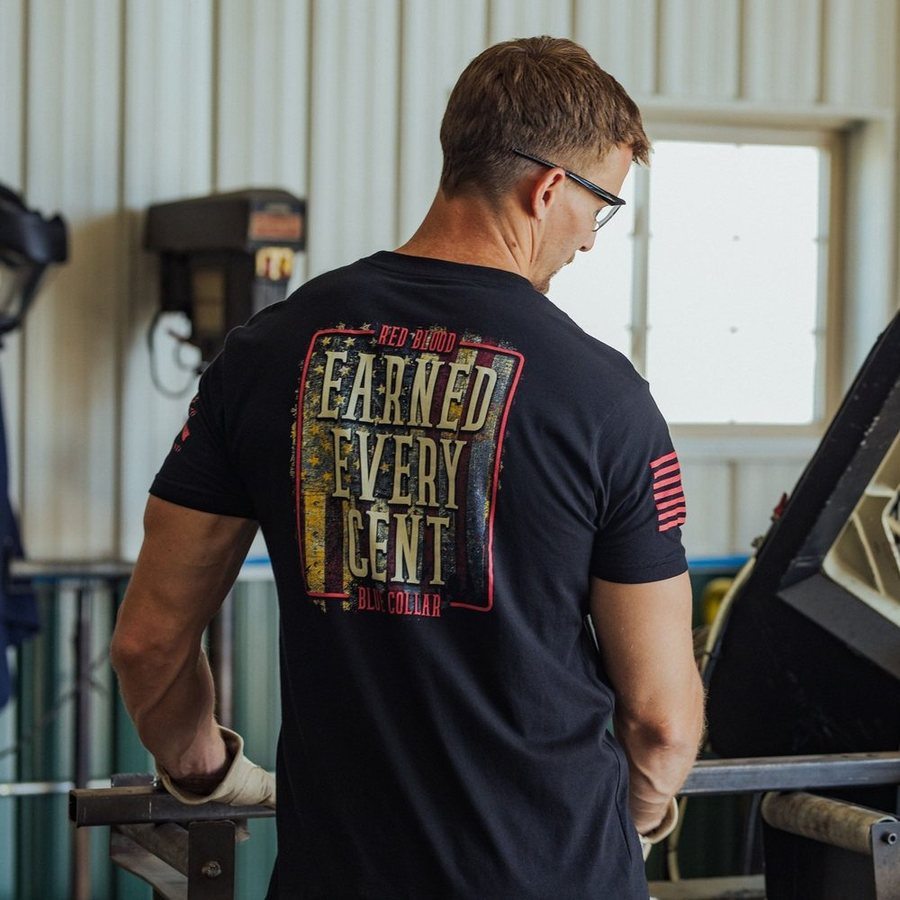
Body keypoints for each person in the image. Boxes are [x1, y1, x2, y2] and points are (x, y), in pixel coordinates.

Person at [111, 36, 704, 899]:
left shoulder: (265, 354)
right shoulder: (604, 397)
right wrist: (632, 824)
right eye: (600, 206)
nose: (589, 240)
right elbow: (659, 719)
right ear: (548, 189)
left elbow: (148, 643)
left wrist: (207, 772)